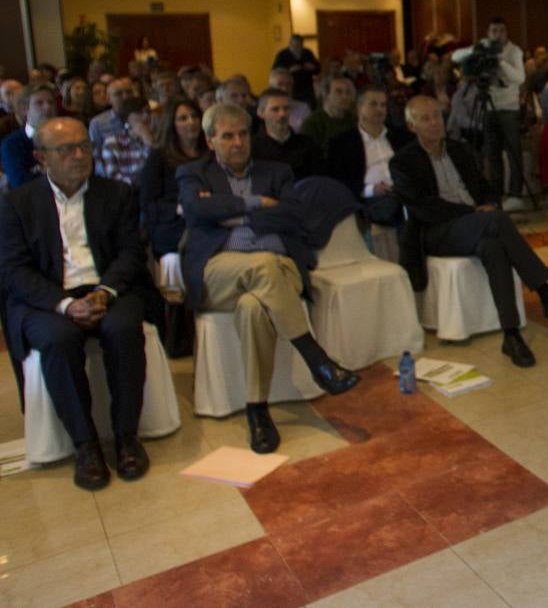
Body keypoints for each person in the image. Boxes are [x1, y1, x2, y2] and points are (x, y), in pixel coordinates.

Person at [179, 104, 360, 454]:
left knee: (253, 305)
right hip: (220, 270)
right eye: (227, 136)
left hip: (280, 266)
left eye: (243, 134)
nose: (237, 142)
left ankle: (257, 411)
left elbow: (294, 214)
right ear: (210, 140)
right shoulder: (192, 173)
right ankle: (316, 359)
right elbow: (197, 210)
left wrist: (232, 213)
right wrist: (256, 203)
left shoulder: (277, 172)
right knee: (261, 265)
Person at [0, 118, 155, 489]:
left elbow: (132, 253)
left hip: (107, 287)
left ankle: (126, 437)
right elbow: (15, 271)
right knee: (57, 339)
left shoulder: (116, 193)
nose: (78, 155)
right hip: (48, 297)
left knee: (122, 328)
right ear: (41, 158)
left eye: (84, 146)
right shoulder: (17, 203)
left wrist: (105, 292)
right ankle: (85, 445)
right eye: (66, 149)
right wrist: (64, 305)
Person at [391, 96, 548, 368]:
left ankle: (511, 336)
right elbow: (424, 208)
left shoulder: (459, 150)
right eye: (425, 118)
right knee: (496, 220)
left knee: (494, 246)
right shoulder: (403, 162)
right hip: (436, 232)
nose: (435, 122)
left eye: (437, 116)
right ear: (412, 126)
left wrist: (488, 203)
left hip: (474, 224)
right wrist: (473, 213)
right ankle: (545, 292)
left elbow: (484, 186)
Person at [453, 17, 528, 210]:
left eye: (501, 30)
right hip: (488, 105)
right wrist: (475, 50)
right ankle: (496, 193)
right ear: (488, 32)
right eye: (493, 30)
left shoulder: (514, 51)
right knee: (492, 153)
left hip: (509, 108)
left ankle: (515, 194)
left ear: (507, 32)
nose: (497, 34)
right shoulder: (483, 46)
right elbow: (455, 57)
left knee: (513, 152)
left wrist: (500, 61)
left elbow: (519, 78)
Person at [325, 88, 412, 226]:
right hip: (370, 198)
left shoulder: (401, 137)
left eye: (383, 105)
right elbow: (337, 181)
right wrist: (371, 189)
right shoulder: (342, 143)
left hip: (404, 193)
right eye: (373, 104)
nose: (380, 109)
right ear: (359, 108)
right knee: (392, 207)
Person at [139, 98, 205, 259]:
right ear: (171, 124)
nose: (191, 122)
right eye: (183, 118)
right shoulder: (159, 156)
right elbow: (147, 202)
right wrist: (178, 208)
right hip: (173, 221)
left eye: (195, 116)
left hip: (206, 215)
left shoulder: (209, 154)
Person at [91, 81, 154, 187]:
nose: (125, 97)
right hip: (114, 182)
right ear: (108, 98)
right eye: (118, 94)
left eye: (128, 92)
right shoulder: (98, 123)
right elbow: (96, 157)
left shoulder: (150, 125)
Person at [250, 88, 323, 181]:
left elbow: (317, 183)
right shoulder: (251, 148)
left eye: (286, 108)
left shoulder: (308, 145)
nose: (282, 114)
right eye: (275, 109)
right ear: (261, 112)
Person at [2, 82, 58, 188]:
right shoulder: (13, 144)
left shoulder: (65, 137)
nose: (47, 107)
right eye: (39, 103)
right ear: (25, 109)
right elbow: (21, 184)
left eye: (51, 102)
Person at [299, 74, 356, 154]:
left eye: (348, 92)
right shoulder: (313, 123)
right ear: (326, 95)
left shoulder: (353, 119)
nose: (345, 96)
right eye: (338, 92)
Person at [271, 34, 320, 106]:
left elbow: (318, 68)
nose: (296, 47)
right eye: (294, 45)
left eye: (299, 45)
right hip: (291, 88)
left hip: (307, 88)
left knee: (310, 108)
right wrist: (289, 70)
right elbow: (274, 72)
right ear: (290, 44)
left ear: (302, 44)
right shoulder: (282, 55)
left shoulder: (307, 53)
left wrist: (313, 67)